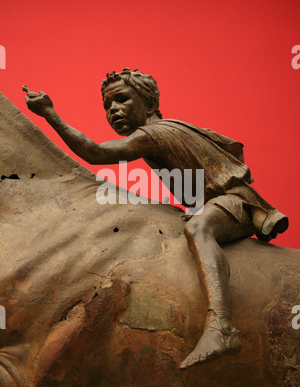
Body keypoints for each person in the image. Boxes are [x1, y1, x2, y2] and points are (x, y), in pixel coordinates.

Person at [23, 68, 288, 370]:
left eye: (122, 99)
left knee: (200, 229)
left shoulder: (153, 134)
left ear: (149, 104)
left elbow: (95, 152)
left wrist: (49, 113)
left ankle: (221, 326)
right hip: (216, 201)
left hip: (237, 201)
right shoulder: (163, 132)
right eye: (108, 106)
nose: (113, 110)